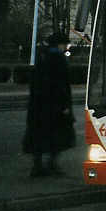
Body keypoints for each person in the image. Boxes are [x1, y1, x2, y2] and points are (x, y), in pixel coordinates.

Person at [24, 31, 75, 177]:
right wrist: (65, 105)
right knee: (58, 135)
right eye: (65, 44)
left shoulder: (42, 57)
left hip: (38, 106)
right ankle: (52, 164)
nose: (67, 47)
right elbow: (62, 85)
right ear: (60, 44)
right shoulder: (59, 60)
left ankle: (37, 165)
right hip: (55, 107)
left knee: (38, 135)